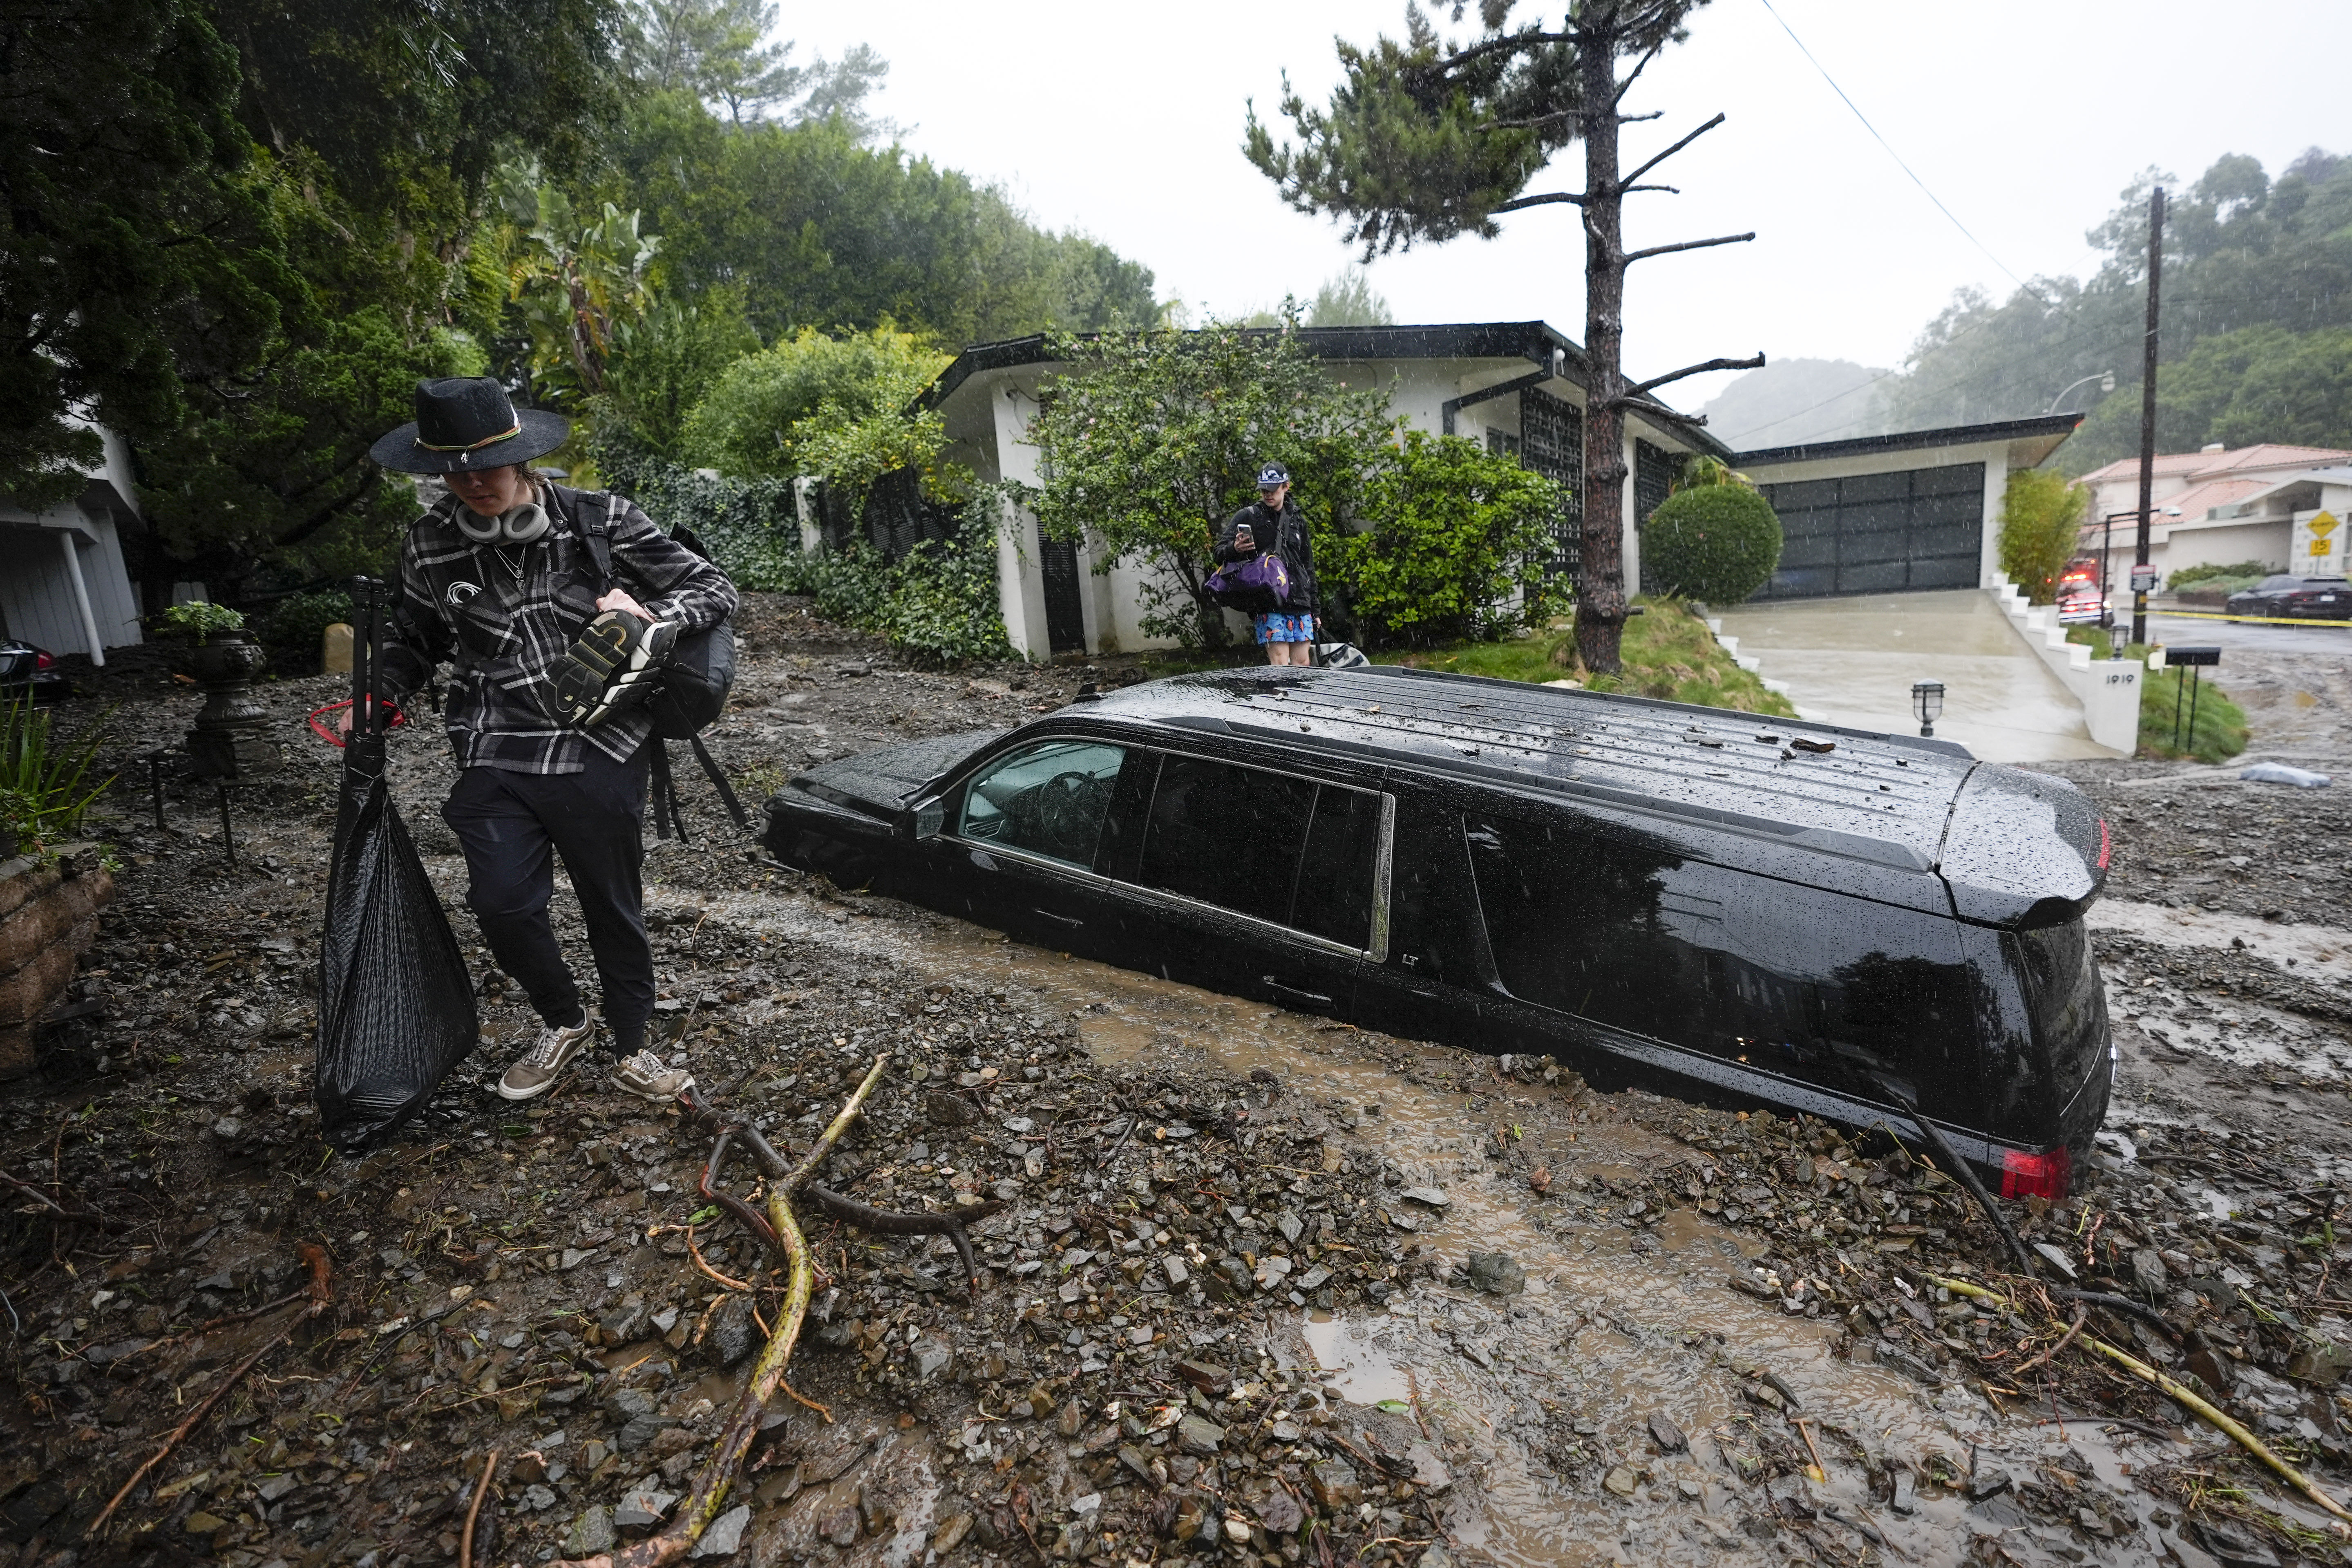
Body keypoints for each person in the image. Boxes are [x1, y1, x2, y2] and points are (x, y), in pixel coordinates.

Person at [364, 377, 739, 1103]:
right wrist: (379, 695)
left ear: (521, 458)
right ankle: (563, 1021)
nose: (472, 481)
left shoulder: (600, 520)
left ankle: (634, 1046)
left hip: (601, 747)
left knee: (612, 905)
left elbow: (714, 588)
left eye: (487, 463)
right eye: (454, 468)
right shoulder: (430, 545)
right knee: (501, 904)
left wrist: (648, 613)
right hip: (495, 746)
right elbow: (413, 637)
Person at [1213, 463, 1319, 665]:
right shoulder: (1249, 516)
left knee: (1303, 665)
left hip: (1301, 602)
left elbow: (1308, 566)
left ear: (1286, 487)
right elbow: (1218, 553)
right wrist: (1234, 549)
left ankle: (1297, 698)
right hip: (1270, 601)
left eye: (1272, 490)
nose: (1267, 495)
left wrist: (1315, 609)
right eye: (1263, 490)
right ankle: (1279, 697)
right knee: (1280, 665)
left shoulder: (1298, 519)